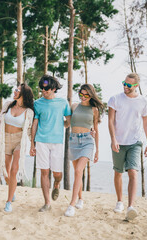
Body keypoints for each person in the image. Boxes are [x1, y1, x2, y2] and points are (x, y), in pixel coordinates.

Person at [108, 73, 147, 220]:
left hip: (135, 142)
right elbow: (110, 120)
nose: (125, 86)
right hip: (119, 141)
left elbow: (146, 124)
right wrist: (113, 139)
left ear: (136, 86)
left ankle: (130, 206)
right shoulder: (115, 99)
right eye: (124, 83)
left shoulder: (143, 102)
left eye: (129, 85)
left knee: (133, 172)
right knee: (118, 173)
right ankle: (120, 201)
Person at [30, 75, 71, 212]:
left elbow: (68, 121)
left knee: (57, 174)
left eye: (46, 88)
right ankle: (47, 203)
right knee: (44, 172)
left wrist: (62, 125)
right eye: (41, 88)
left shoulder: (63, 103)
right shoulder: (37, 103)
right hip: (41, 141)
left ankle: (57, 184)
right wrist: (32, 144)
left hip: (57, 142)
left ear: (53, 88)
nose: (43, 90)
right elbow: (34, 124)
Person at [0, 83, 34, 212]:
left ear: (24, 94)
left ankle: (8, 202)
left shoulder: (29, 112)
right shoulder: (8, 105)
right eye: (15, 89)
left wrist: (32, 145)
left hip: (19, 141)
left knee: (14, 170)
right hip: (5, 140)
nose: (15, 91)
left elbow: (30, 130)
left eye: (18, 90)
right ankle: (12, 188)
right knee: (5, 171)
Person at [64, 84, 104, 217]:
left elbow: (96, 130)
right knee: (77, 173)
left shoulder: (94, 110)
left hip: (87, 141)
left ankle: (71, 205)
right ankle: (80, 198)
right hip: (73, 140)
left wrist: (97, 150)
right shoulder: (74, 106)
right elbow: (67, 123)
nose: (83, 97)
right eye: (81, 94)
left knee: (78, 170)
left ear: (91, 95)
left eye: (86, 95)